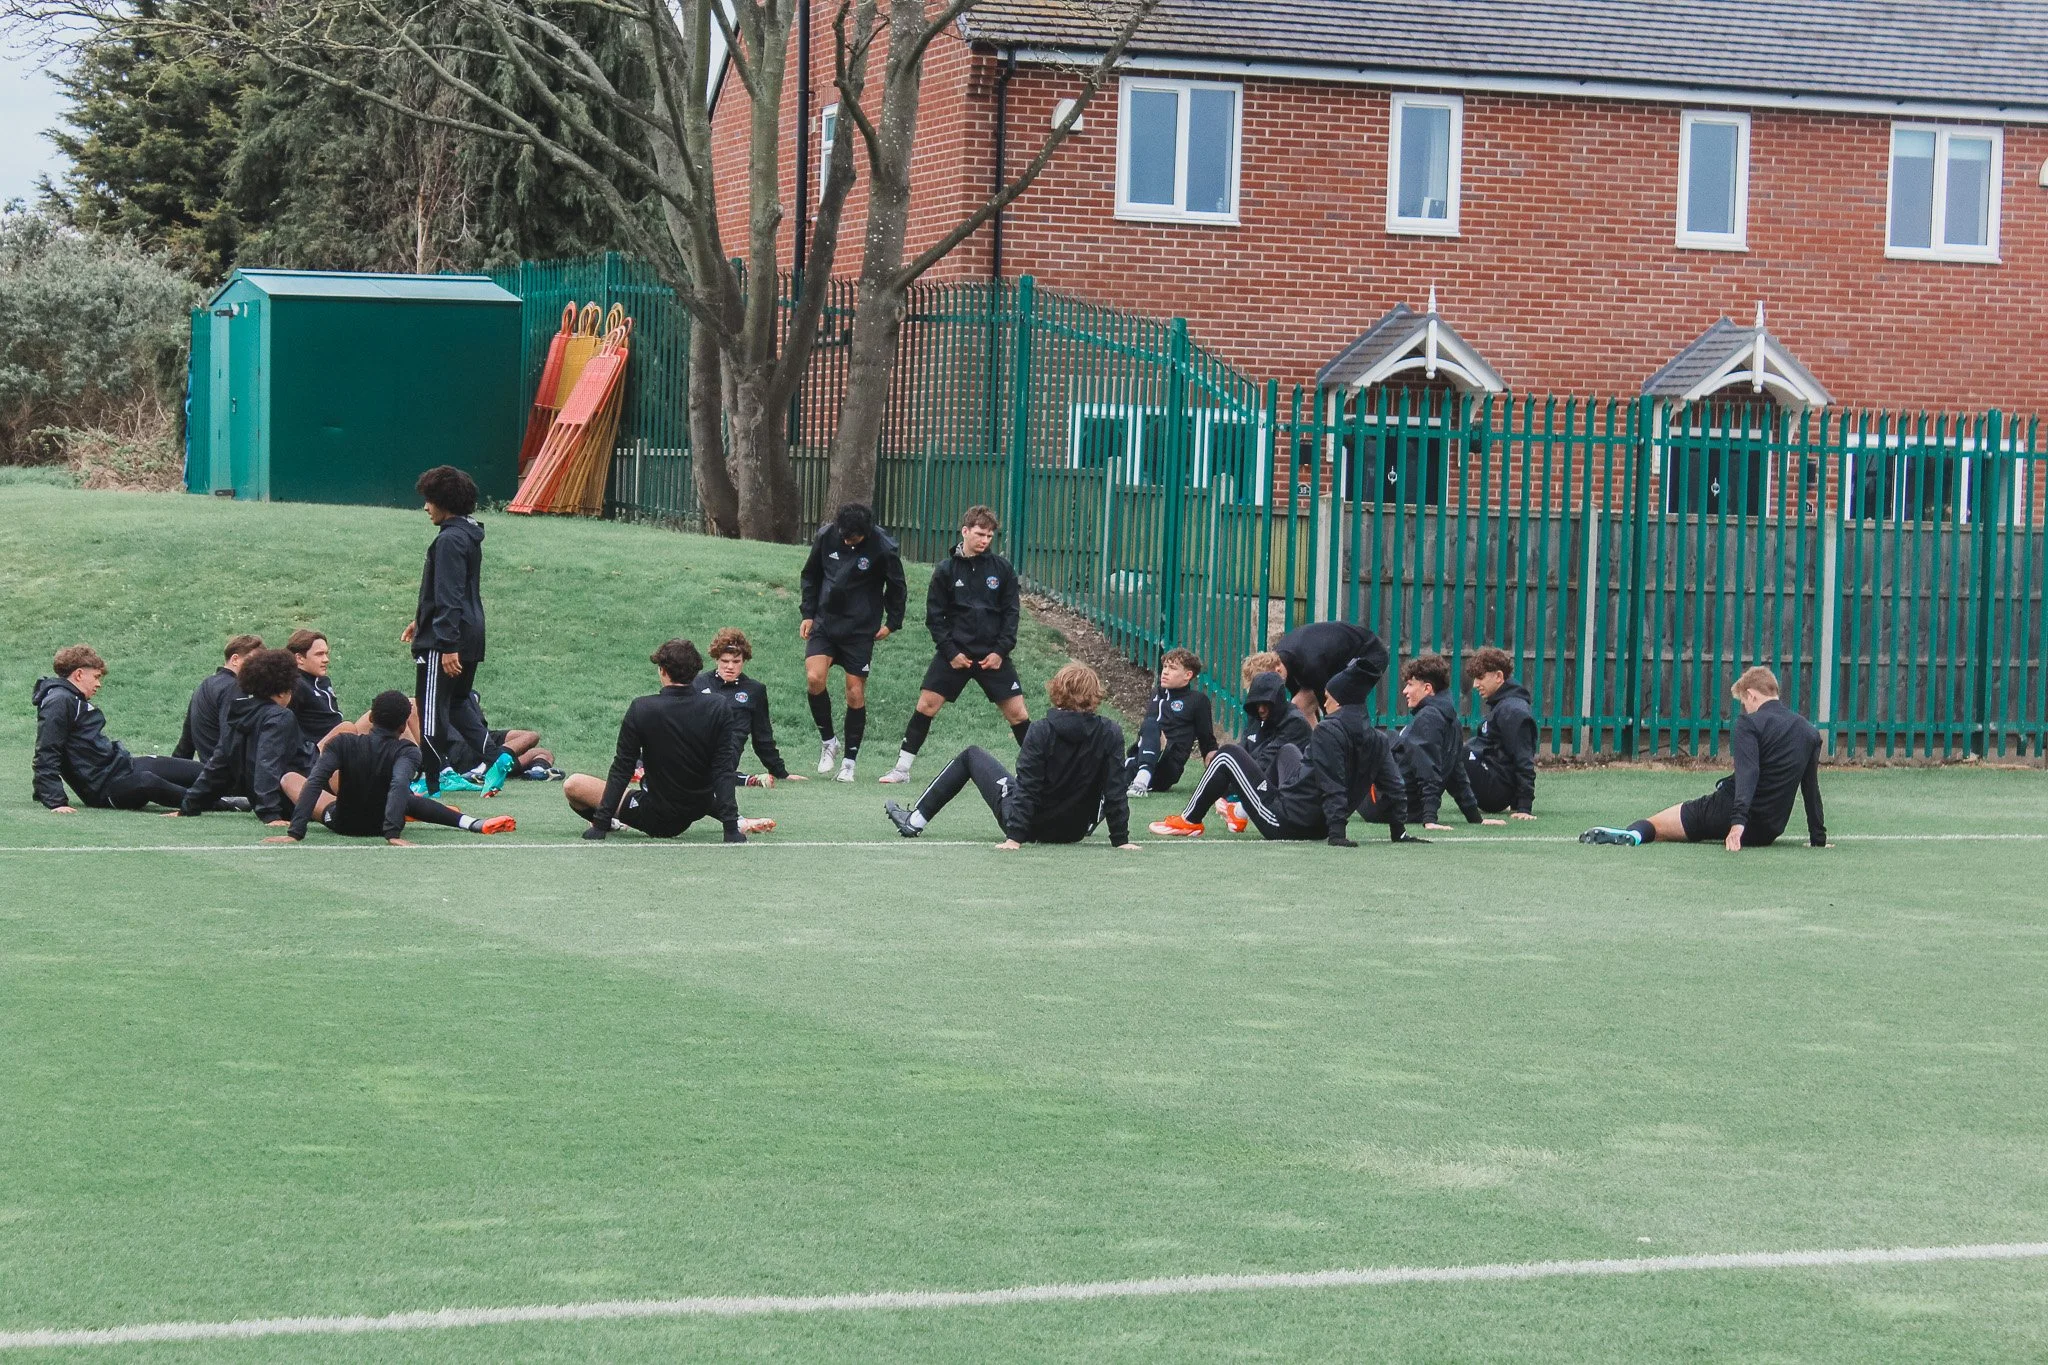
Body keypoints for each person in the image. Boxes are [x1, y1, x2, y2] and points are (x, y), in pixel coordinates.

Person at [1150, 661, 1422, 846]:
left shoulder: (1329, 730)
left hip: (1285, 821)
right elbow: (1394, 785)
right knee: (1289, 752)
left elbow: (1333, 781)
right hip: (1319, 824)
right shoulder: (1377, 738)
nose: (1323, 702)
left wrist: (1338, 834)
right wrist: (1399, 831)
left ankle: (1189, 820)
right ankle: (1242, 809)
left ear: (1339, 700)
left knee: (1226, 755)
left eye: (1327, 697)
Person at [883, 663, 1136, 850]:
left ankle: (914, 820)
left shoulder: (1040, 730)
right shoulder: (1111, 732)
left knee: (971, 755)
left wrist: (1014, 838)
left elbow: (1028, 787)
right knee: (1108, 775)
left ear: (1057, 691)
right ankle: (1093, 826)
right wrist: (1121, 841)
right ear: (1095, 696)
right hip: (1075, 831)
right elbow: (1115, 789)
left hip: (1029, 827)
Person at [1583, 667, 1828, 852]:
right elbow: (1810, 789)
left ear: (1752, 695)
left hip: (1728, 814)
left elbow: (1748, 773)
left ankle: (1634, 834)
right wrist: (1818, 839)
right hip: (1767, 831)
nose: (1744, 709)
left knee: (1656, 825)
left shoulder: (1750, 723)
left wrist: (1738, 823)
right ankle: (1635, 834)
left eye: (1743, 702)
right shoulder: (1809, 732)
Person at [565, 638, 776, 842]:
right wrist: (730, 829)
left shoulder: (642, 708)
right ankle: (737, 822)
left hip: (657, 818)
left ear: (662, 671)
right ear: (695, 673)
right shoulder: (718, 706)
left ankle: (611, 823)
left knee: (574, 785)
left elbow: (622, 768)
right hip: (701, 804)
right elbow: (723, 769)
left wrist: (599, 824)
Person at [879, 506, 1028, 785]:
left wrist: (1000, 652)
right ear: (965, 531)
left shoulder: (1002, 569)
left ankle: (1039, 773)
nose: (985, 540)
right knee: (926, 705)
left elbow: (1011, 615)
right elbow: (935, 618)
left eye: (990, 535)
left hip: (992, 656)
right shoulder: (946, 570)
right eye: (980, 534)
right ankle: (901, 769)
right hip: (955, 653)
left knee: (1018, 713)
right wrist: (951, 652)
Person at [267, 690, 515, 845]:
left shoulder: (343, 742)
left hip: (344, 822)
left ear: (371, 719)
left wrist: (295, 832)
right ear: (404, 724)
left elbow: (316, 780)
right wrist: (392, 833)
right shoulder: (408, 751)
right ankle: (472, 822)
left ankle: (419, 812)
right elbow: (398, 786)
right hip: (382, 821)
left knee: (290, 778)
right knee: (408, 798)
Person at [798, 502, 905, 782]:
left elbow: (897, 585)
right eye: (843, 535)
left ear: (866, 533)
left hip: (860, 629)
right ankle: (829, 743)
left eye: (852, 538)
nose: (846, 541)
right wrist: (808, 613)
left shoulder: (883, 547)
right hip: (825, 623)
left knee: (854, 692)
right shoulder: (827, 536)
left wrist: (893, 622)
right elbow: (810, 575)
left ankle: (849, 763)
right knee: (814, 678)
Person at [33, 645, 208, 813]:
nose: (98, 684)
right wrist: (55, 800)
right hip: (105, 788)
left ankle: (232, 788)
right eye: (96, 677)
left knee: (199, 770)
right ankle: (225, 804)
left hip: (120, 768)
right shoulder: (59, 701)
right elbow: (47, 750)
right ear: (79, 674)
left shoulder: (72, 699)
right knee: (147, 781)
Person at [402, 465, 487, 794]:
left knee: (430, 709)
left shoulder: (449, 539)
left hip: (447, 640)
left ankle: (432, 781)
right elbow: (456, 592)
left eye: (429, 499)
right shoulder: (468, 533)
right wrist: (421, 620)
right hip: (470, 631)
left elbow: (449, 595)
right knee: (457, 703)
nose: (425, 507)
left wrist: (445, 642)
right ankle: (496, 757)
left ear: (444, 501)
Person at [173, 648, 305, 825]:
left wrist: (189, 806)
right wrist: (271, 814)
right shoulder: (281, 716)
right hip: (293, 798)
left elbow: (218, 765)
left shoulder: (239, 715)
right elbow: (268, 763)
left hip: (268, 798)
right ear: (283, 691)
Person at [1392, 653, 1487, 831]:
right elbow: (1453, 771)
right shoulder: (1451, 719)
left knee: (1387, 737)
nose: (1405, 690)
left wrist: (1430, 819)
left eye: (1410, 684)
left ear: (1427, 688)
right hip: (1398, 804)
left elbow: (1430, 768)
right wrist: (1474, 817)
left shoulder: (1429, 717)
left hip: (1390, 806)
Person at [697, 627, 799, 787]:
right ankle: (747, 780)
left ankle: (740, 779)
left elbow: (762, 736)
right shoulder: (698, 683)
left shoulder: (754, 690)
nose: (730, 666)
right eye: (725, 661)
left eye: (736, 661)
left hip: (727, 750)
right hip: (696, 745)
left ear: (744, 661)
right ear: (716, 659)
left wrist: (780, 772)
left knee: (706, 773)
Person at [1125, 648, 1218, 795]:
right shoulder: (1157, 693)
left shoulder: (1197, 700)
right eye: (1165, 667)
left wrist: (1217, 777)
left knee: (1151, 724)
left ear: (1188, 675)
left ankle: (1141, 781)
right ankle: (1137, 777)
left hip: (1167, 767)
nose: (1165, 672)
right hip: (1143, 758)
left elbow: (1207, 741)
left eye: (1173, 668)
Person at [1463, 647, 1537, 819]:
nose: (1475, 685)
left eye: (1480, 678)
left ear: (1498, 676)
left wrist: (1524, 807)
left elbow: (1523, 758)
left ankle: (1421, 806)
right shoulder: (1502, 705)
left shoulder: (1513, 711)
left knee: (1457, 752)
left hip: (1496, 792)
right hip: (1495, 782)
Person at [1270, 620, 1390, 724]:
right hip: (1338, 660)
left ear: (1278, 670)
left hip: (1370, 653)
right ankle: (1314, 745)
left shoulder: (1310, 664)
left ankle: (1349, 743)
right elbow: (1298, 695)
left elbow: (1329, 702)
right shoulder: (1283, 659)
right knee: (1300, 705)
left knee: (1339, 702)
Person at [174, 634, 263, 762]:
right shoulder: (234, 688)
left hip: (207, 771)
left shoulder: (204, 685)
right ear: (235, 659)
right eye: (255, 662)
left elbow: (186, 743)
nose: (259, 669)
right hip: (222, 774)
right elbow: (231, 742)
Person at [446, 691, 557, 786]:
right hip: (461, 745)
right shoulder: (447, 694)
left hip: (481, 738)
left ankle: (536, 771)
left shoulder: (468, 693)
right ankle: (488, 766)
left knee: (543, 752)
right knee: (532, 736)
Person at [286, 628, 348, 769]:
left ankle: (408, 782)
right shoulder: (295, 684)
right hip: (316, 752)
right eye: (319, 654)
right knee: (347, 727)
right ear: (299, 658)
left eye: (326, 654)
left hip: (339, 741)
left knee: (406, 707)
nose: (326, 659)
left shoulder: (322, 681)